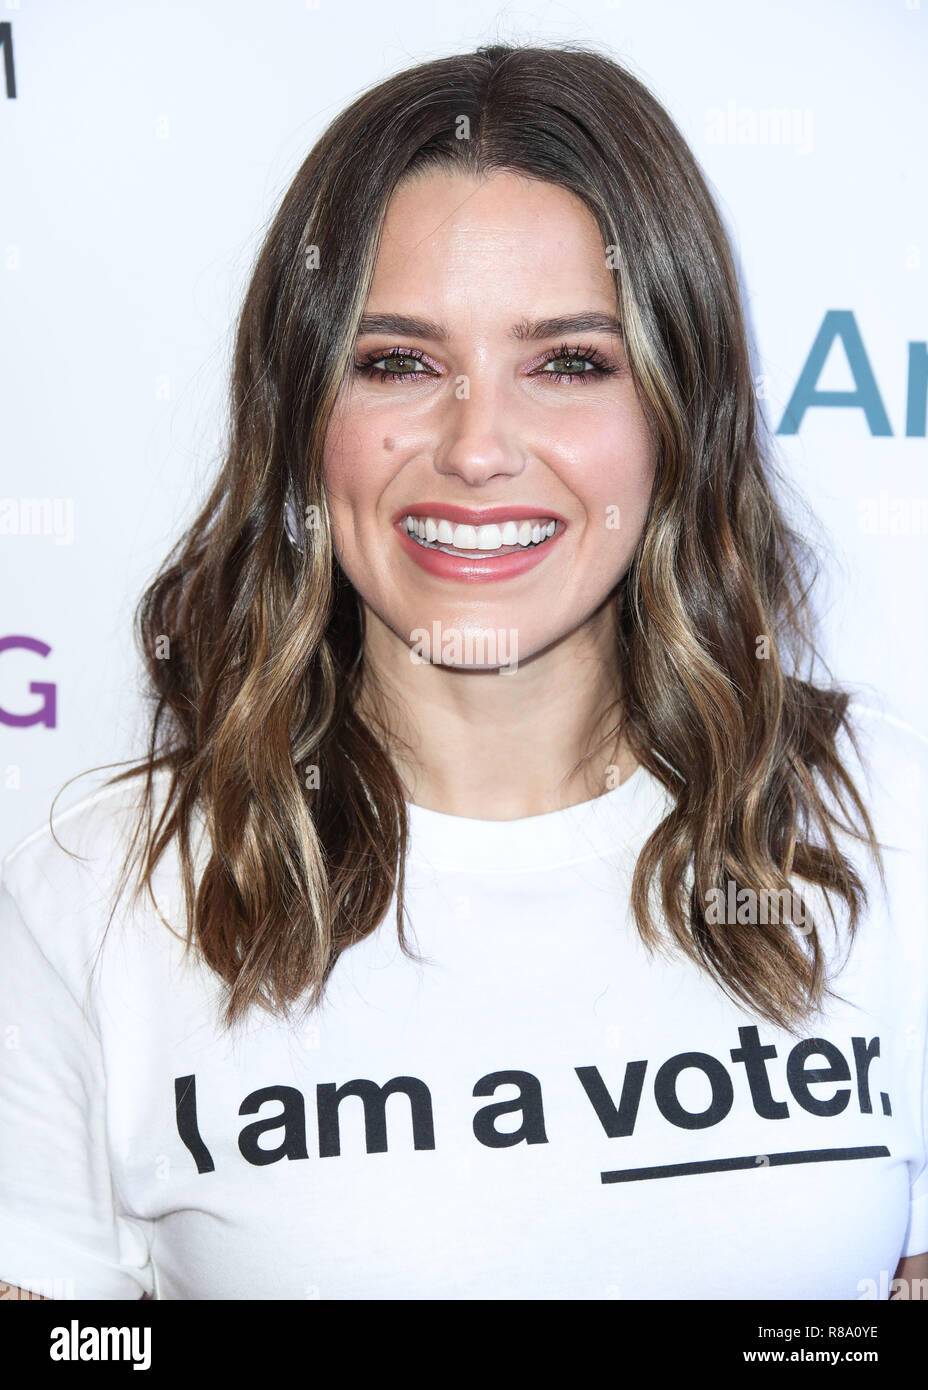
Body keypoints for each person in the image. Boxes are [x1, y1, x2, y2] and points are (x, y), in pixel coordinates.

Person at [1, 41, 925, 1301]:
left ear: (678, 410)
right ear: (298, 414)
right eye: (398, 362)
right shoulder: (99, 897)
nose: (478, 448)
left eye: (568, 363)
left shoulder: (885, 827)